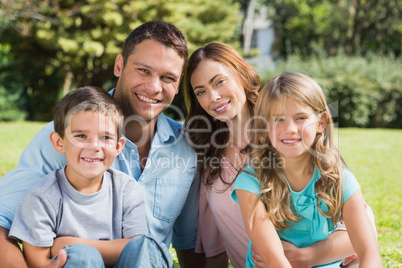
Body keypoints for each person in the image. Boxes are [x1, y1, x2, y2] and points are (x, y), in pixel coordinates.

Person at [0, 21, 200, 268]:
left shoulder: (187, 148)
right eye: (143, 70)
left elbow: (189, 243)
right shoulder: (66, 138)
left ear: (178, 84)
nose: (154, 87)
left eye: (168, 77)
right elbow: (1, 222)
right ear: (119, 65)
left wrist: (71, 241)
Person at [184, 43, 377, 268]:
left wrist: (306, 257)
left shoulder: (293, 142)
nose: (213, 96)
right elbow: (213, 241)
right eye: (201, 91)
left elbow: (364, 229)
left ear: (242, 75)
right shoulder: (208, 156)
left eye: (219, 81)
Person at [232, 72, 382, 267]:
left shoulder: (340, 178)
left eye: (301, 117)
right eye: (278, 119)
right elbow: (274, 259)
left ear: (321, 123)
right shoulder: (251, 180)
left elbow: (369, 251)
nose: (290, 129)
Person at [9, 86, 151, 267]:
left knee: (152, 249)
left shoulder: (126, 189)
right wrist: (78, 252)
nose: (94, 146)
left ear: (118, 146)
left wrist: (69, 244)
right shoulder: (42, 197)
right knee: (81, 257)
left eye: (105, 137)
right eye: (81, 135)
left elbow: (138, 249)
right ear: (59, 142)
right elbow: (38, 262)